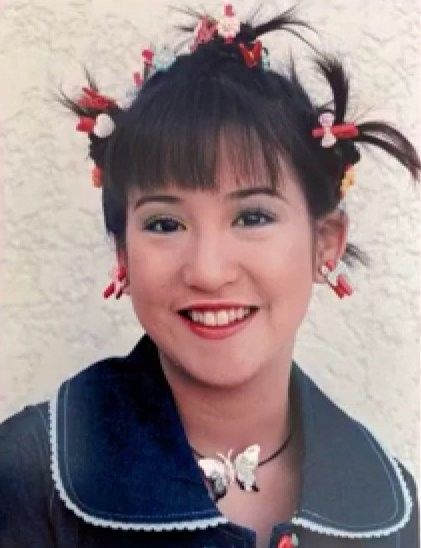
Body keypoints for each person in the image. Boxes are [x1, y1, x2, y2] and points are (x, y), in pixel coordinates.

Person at [0, 4, 419, 547]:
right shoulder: (31, 476)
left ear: (325, 243)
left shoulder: (388, 507)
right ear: (123, 254)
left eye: (252, 216)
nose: (208, 270)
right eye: (165, 223)